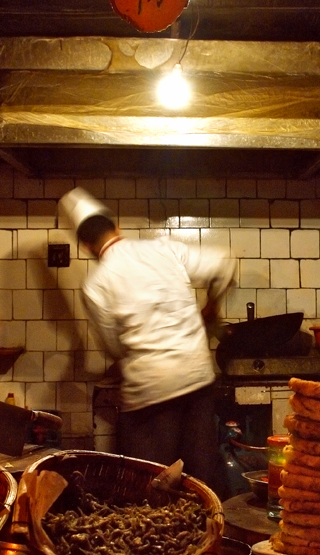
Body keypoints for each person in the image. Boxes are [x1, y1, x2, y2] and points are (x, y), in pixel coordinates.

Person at [59, 187, 236, 494]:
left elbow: (114, 347)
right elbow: (225, 263)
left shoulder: (96, 285)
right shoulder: (163, 249)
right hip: (195, 381)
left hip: (149, 393)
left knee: (149, 488)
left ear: (86, 246)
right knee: (202, 482)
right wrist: (212, 305)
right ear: (117, 227)